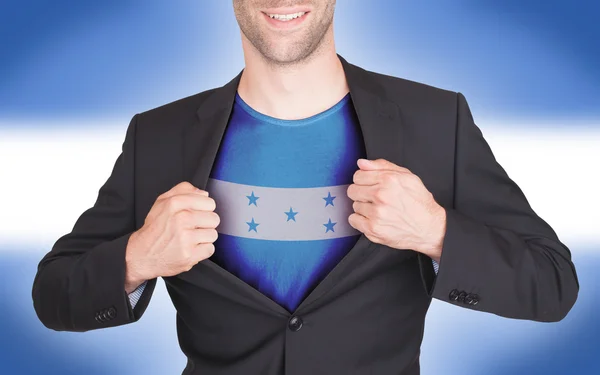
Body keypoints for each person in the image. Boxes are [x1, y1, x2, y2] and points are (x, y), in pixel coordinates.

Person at [31, 1, 579, 374]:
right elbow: (53, 295)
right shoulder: (158, 135)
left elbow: (552, 284)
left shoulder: (437, 120)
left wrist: (437, 233)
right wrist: (137, 257)